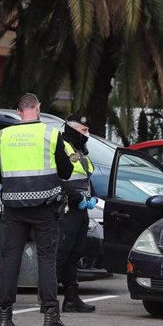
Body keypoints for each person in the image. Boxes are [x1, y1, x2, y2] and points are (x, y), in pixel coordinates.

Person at [0, 93, 77, 326]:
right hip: (44, 207)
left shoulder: (3, 136)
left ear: (19, 111)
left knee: (11, 259)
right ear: (38, 109)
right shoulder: (50, 134)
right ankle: (51, 320)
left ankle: (5, 320)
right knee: (47, 259)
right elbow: (66, 171)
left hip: (13, 208)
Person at [55, 113, 97, 312]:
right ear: (72, 128)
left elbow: (85, 176)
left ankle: (71, 298)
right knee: (60, 254)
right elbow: (57, 178)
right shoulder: (61, 145)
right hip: (66, 207)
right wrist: (76, 197)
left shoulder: (80, 149)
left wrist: (91, 196)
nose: (86, 134)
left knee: (74, 254)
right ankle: (48, 300)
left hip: (81, 208)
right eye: (83, 130)